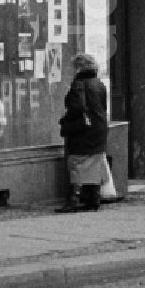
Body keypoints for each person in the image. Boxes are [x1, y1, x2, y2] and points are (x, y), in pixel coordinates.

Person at [56, 51, 109, 212]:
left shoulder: (79, 83)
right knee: (94, 161)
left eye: (74, 67)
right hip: (99, 127)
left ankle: (73, 199)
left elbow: (76, 107)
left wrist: (66, 121)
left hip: (83, 128)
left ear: (79, 67)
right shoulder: (99, 83)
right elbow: (102, 106)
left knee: (76, 162)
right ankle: (94, 199)